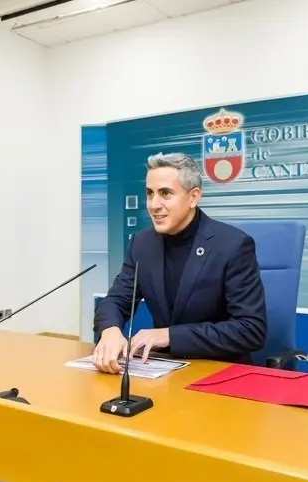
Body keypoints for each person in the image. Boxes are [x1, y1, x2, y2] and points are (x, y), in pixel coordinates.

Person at [92, 152, 267, 373]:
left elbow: (250, 330)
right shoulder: (142, 243)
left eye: (165, 193)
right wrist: (110, 330)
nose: (154, 204)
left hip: (219, 371)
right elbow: (117, 300)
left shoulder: (233, 245)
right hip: (161, 369)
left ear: (193, 197)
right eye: (149, 193)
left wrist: (168, 335)